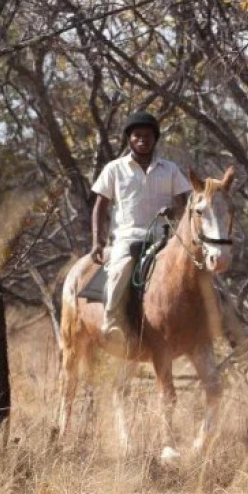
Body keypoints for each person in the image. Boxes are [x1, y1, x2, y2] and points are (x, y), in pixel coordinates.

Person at [90, 111, 191, 341]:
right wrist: (97, 241)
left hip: (164, 236)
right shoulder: (114, 169)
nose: (142, 140)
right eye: (137, 135)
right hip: (128, 236)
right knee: (121, 267)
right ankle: (111, 319)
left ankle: (219, 321)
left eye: (147, 135)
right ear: (129, 139)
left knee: (199, 265)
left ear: (155, 138)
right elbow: (100, 206)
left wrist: (173, 212)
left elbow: (185, 206)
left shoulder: (170, 169)